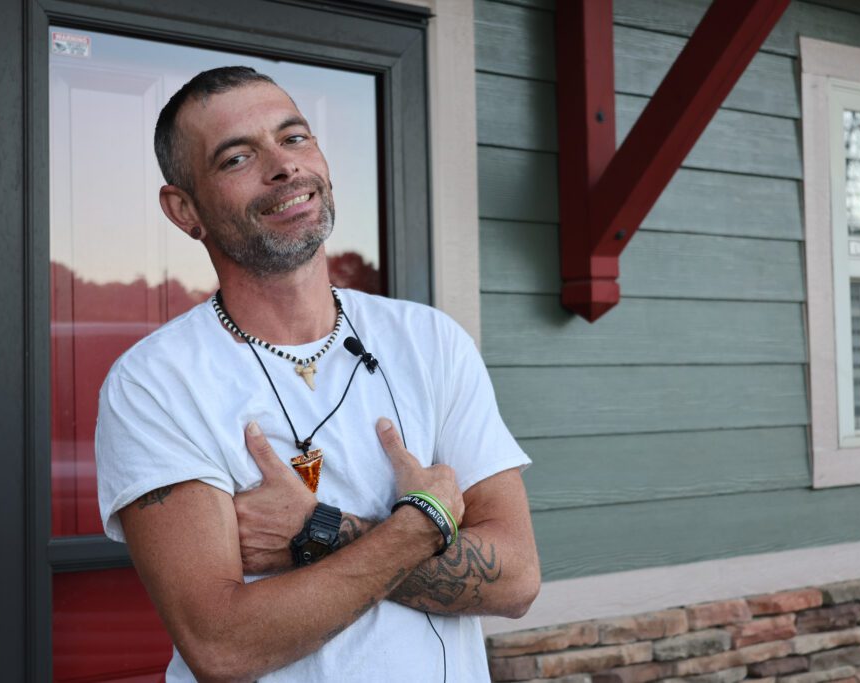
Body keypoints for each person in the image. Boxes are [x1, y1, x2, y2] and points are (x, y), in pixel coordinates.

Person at [95, 66, 540, 683]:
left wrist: (318, 531)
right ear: (185, 209)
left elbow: (517, 579)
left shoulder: (428, 341)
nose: (283, 166)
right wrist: (425, 522)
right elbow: (222, 645)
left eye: (295, 137)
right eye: (237, 158)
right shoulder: (155, 383)